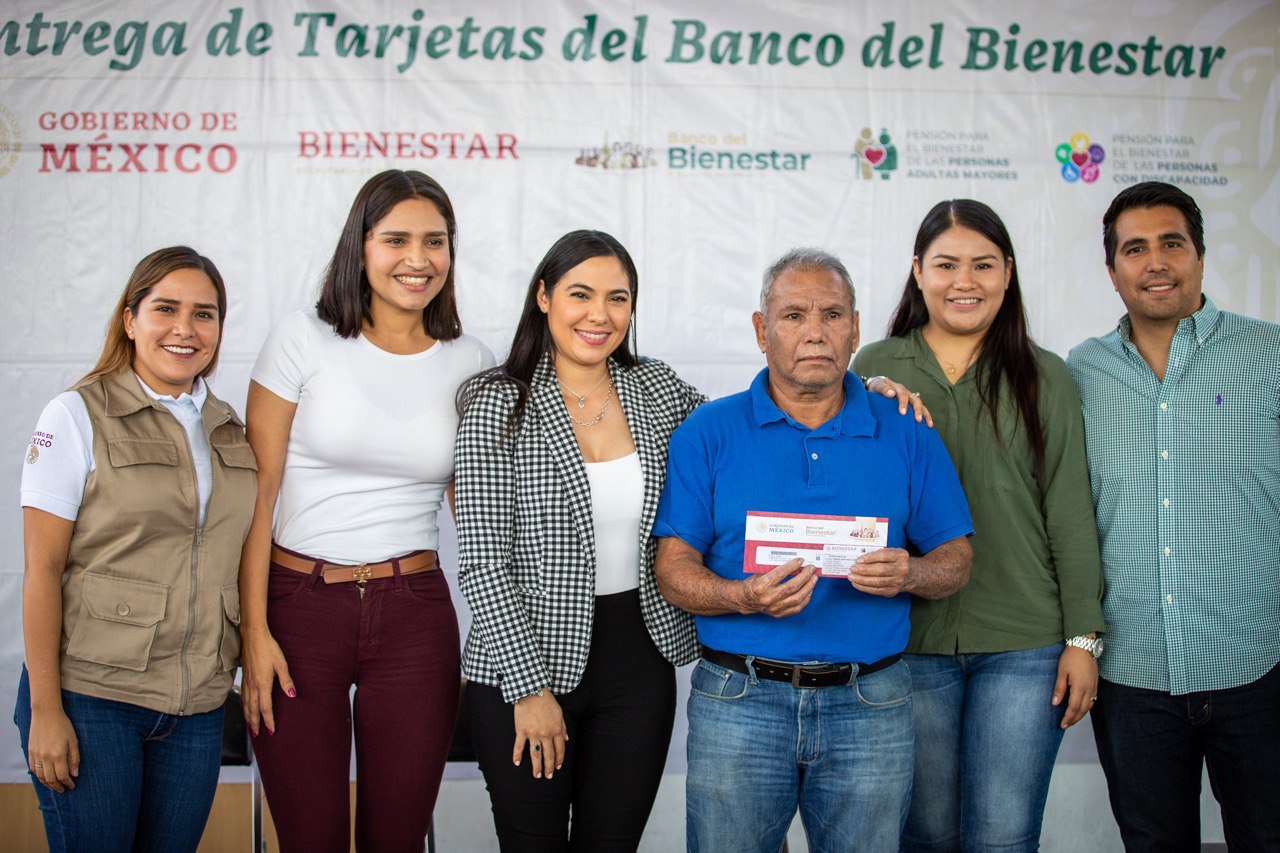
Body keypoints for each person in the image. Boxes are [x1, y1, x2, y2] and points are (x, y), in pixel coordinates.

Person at [454, 233, 931, 851]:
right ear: (544, 297)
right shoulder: (498, 402)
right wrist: (528, 689)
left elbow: (768, 414)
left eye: (617, 298)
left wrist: (867, 388)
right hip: (526, 660)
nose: (600, 315)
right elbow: (483, 565)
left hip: (637, 662)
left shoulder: (654, 389)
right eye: (580, 295)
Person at [653, 247, 975, 852]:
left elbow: (955, 560)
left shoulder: (906, 427)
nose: (815, 332)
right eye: (794, 315)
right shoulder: (708, 431)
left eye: (832, 314)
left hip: (872, 703)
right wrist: (743, 596)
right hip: (738, 701)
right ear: (761, 330)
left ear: (855, 329)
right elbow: (672, 571)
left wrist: (911, 573)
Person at [238, 169, 494, 852]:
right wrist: (253, 633)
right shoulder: (300, 338)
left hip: (414, 614)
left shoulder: (471, 360)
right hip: (298, 610)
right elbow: (257, 496)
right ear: (361, 245)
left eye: (435, 241)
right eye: (397, 239)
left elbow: (477, 511)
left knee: (396, 839)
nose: (419, 259)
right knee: (311, 839)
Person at [853, 200, 1105, 851]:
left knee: (1003, 836)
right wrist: (861, 396)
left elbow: (1070, 513)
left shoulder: (1046, 374)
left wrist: (1083, 638)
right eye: (946, 264)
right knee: (926, 834)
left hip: (1026, 644)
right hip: (909, 642)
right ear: (917, 271)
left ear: (1008, 272)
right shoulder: (872, 368)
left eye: (983, 265)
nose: (964, 281)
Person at [14, 246, 257, 853]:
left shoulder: (230, 428)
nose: (185, 329)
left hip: (197, 705)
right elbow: (42, 571)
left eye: (204, 314)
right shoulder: (75, 415)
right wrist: (46, 710)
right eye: (165, 309)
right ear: (130, 319)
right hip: (93, 699)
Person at [1067, 181, 1280, 850]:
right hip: (1131, 677)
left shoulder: (1270, 355)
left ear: (1201, 257)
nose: (1155, 262)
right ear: (1112, 271)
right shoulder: (1081, 371)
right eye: (1135, 249)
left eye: (1172, 244)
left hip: (1257, 664)